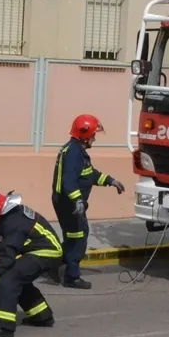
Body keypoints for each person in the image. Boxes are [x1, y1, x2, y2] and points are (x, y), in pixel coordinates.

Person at [0, 188, 62, 337]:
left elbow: (7, 254)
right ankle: (42, 316)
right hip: (41, 248)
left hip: (47, 252)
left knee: (9, 279)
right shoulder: (8, 212)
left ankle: (3, 326)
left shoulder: (14, 222)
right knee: (19, 279)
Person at [50, 114, 125, 290]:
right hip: (69, 204)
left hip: (69, 202)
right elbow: (69, 181)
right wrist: (77, 201)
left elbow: (89, 174)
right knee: (78, 238)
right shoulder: (74, 153)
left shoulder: (76, 151)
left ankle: (52, 265)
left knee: (72, 237)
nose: (94, 138)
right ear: (84, 134)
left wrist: (110, 180)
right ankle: (71, 277)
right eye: (93, 135)